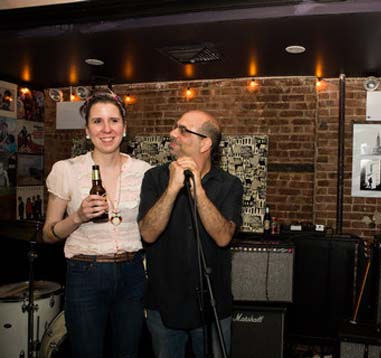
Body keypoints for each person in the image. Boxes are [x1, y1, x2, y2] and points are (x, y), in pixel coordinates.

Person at [42, 91, 151, 358]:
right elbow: (48, 234)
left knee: (128, 352)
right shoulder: (66, 169)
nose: (106, 129)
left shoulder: (145, 171)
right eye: (97, 121)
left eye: (113, 121)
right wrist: (77, 217)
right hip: (85, 274)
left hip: (132, 273)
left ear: (124, 128)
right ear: (87, 131)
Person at [138, 110, 243, 358]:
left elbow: (223, 237)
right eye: (176, 127)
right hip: (163, 306)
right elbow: (148, 234)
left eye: (183, 130)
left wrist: (199, 193)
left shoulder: (229, 184)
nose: (172, 133)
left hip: (212, 307)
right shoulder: (154, 178)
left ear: (205, 143)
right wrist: (173, 188)